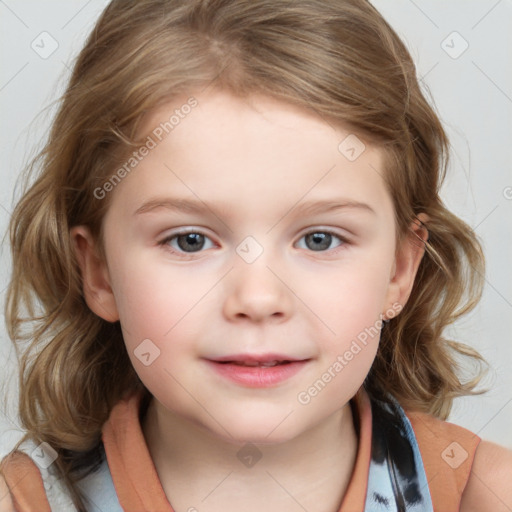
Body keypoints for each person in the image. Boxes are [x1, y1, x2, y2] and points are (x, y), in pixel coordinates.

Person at [1, 0, 511, 510]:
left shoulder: (482, 494)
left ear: (400, 270)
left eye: (320, 239)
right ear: (100, 272)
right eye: (190, 240)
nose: (259, 298)